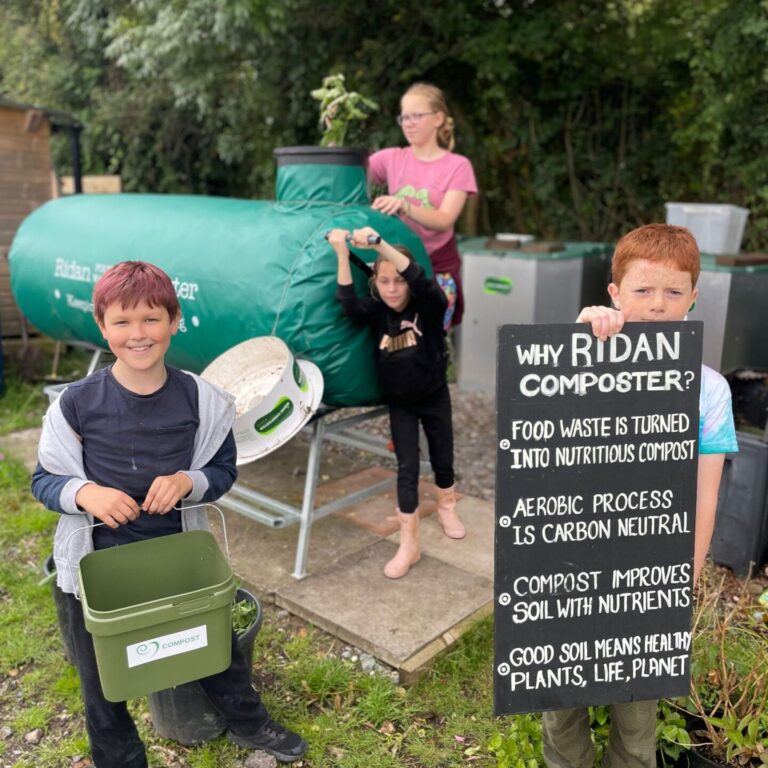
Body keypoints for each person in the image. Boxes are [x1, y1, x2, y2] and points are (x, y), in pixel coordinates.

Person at [31, 261, 307, 767]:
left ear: (174, 320)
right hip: (98, 567)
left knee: (213, 649)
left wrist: (188, 481)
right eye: (122, 321)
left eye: (151, 319)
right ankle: (119, 756)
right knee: (100, 679)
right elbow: (44, 480)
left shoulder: (202, 399)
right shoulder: (75, 404)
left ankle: (250, 724)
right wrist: (86, 493)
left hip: (177, 557)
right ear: (102, 327)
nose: (138, 334)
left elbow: (223, 470)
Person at [541, 224, 738, 768]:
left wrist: (689, 574)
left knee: (637, 705)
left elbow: (705, 493)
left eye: (673, 292)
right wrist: (577, 341)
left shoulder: (710, 389)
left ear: (694, 298)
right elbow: (542, 451)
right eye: (642, 291)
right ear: (614, 294)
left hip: (650, 571)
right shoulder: (579, 358)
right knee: (560, 698)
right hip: (567, 560)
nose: (657, 306)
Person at [328, 226, 465, 579]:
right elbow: (347, 305)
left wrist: (380, 245)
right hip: (400, 403)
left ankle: (447, 504)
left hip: (434, 395)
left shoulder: (429, 307)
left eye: (398, 281)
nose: (391, 289)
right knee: (406, 468)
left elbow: (421, 280)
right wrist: (343, 254)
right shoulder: (377, 311)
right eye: (383, 281)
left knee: (442, 456)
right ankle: (409, 543)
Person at [368, 82, 477, 331]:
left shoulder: (458, 166)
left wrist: (405, 206)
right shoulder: (391, 158)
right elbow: (350, 173)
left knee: (430, 342)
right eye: (404, 116)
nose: (408, 122)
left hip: (438, 270)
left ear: (438, 118)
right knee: (396, 343)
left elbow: (445, 219)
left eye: (416, 115)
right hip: (397, 269)